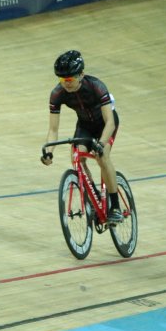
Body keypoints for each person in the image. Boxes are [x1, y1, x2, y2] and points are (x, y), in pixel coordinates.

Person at [41, 50, 123, 224]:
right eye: (62, 80)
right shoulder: (57, 94)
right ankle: (94, 197)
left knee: (102, 157)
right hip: (85, 126)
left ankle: (115, 206)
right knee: (77, 157)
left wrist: (101, 143)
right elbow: (53, 129)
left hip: (105, 124)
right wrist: (49, 152)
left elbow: (110, 122)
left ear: (81, 75)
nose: (66, 84)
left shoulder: (96, 86)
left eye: (70, 79)